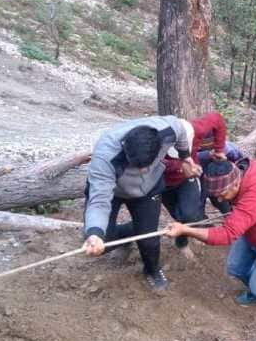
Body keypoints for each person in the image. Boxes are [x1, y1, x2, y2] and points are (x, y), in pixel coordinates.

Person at [82, 115, 196, 291]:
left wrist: (185, 158)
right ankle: (136, 230)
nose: (143, 170)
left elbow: (181, 130)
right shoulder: (105, 157)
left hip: (149, 188)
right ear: (126, 152)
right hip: (112, 191)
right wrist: (95, 233)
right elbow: (98, 202)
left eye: (147, 164)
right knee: (103, 241)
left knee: (149, 241)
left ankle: (152, 270)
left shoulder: (167, 129)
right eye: (137, 165)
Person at [165, 159, 256, 306]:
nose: (220, 199)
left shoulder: (254, 198)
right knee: (235, 268)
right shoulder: (242, 170)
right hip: (253, 231)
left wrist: (185, 229)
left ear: (235, 184)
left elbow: (227, 234)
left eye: (222, 194)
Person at [161, 112, 232, 252]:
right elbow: (151, 164)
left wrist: (219, 149)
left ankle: (186, 239)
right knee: (178, 215)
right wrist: (179, 165)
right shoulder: (156, 141)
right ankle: (183, 240)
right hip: (161, 181)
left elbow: (217, 119)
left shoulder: (195, 129)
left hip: (187, 179)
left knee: (189, 214)